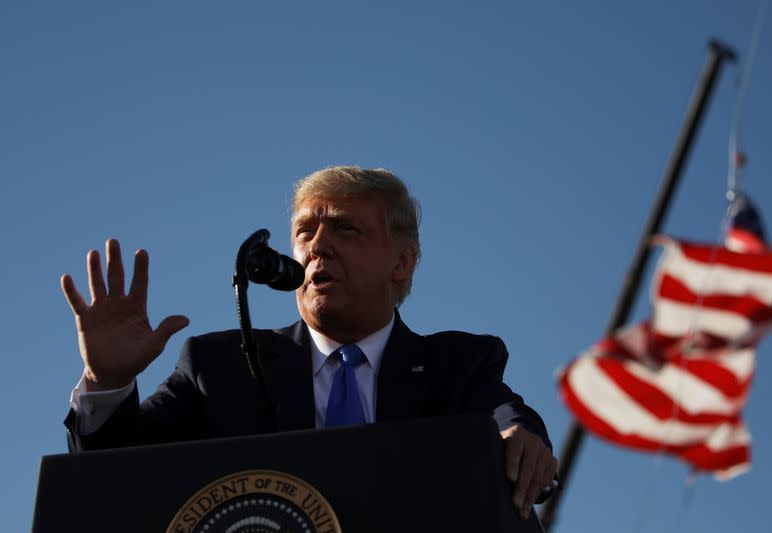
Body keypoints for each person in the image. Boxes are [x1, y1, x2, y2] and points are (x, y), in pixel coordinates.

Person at [61, 166, 557, 519]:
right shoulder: (217, 366)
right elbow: (117, 479)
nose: (318, 245)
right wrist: (109, 382)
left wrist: (519, 439)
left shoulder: (456, 366)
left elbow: (506, 417)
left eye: (345, 228)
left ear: (401, 263)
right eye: (304, 232)